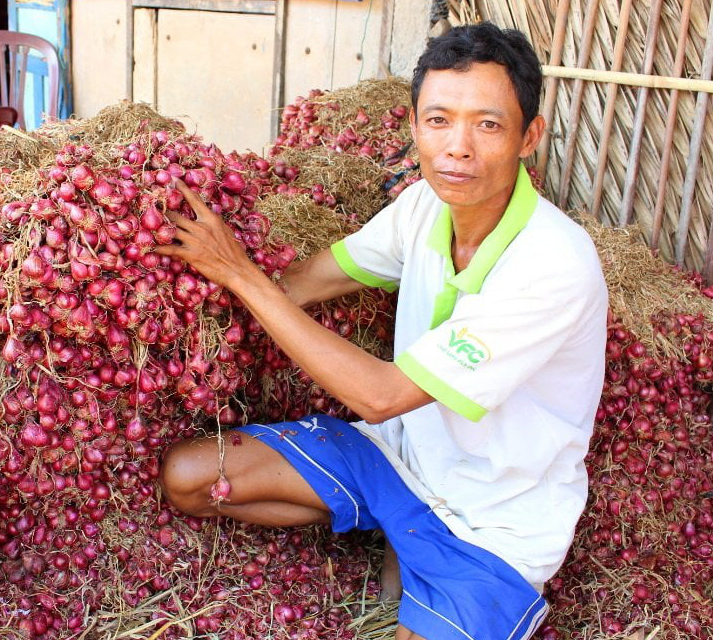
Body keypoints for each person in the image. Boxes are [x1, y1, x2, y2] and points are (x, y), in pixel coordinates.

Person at [156, 22, 608, 640]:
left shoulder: (554, 263)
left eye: (488, 124)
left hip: (492, 525)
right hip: (397, 458)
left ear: (530, 136)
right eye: (439, 120)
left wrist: (239, 274)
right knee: (188, 478)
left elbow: (382, 394)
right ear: (415, 127)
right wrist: (196, 304)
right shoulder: (425, 206)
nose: (457, 148)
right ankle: (380, 520)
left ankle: (438, 568)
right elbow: (309, 281)